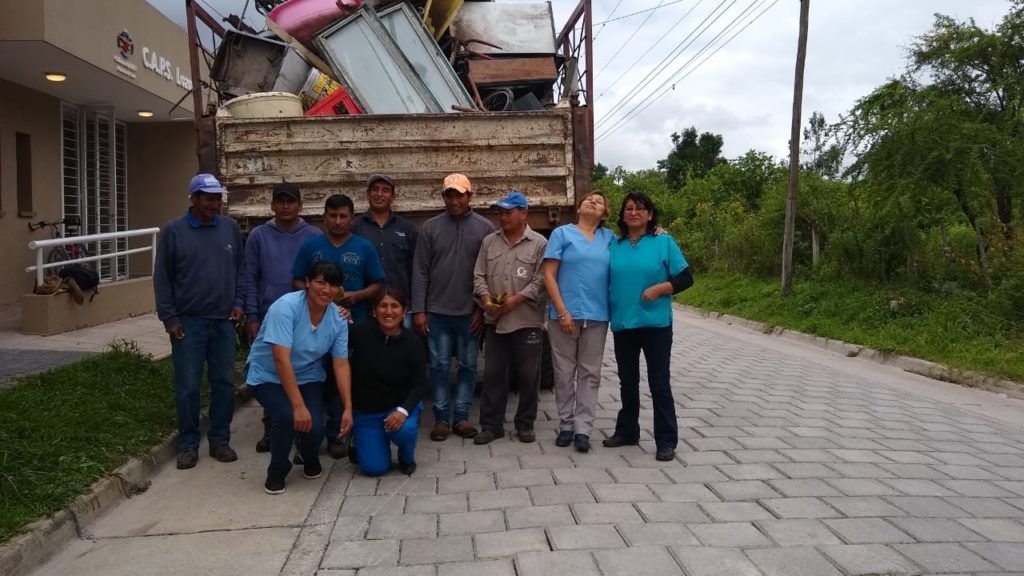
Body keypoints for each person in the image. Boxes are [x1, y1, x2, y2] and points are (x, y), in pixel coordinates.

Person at [154, 173, 245, 470]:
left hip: (222, 322)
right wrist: (169, 317)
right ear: (193, 199)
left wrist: (239, 303)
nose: (215, 204)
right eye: (209, 198)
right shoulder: (173, 231)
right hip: (188, 323)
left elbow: (241, 271)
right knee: (189, 385)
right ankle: (189, 444)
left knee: (223, 383)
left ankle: (219, 440)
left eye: (218, 198)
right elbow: (162, 279)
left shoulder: (230, 229)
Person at [246, 260, 353, 494]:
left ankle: (309, 455)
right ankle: (277, 470)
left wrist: (348, 407)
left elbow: (341, 364)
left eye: (333, 285)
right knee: (286, 417)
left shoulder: (338, 318)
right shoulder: (285, 308)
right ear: (306, 283)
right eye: (320, 282)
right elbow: (280, 360)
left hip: (308, 374)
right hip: (268, 374)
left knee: (314, 427)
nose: (326, 290)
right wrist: (297, 405)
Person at [292, 193, 385, 458]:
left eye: (343, 216)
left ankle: (337, 435)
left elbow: (378, 284)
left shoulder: (364, 247)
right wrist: (321, 298)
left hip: (354, 323)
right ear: (324, 218)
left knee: (343, 380)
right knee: (312, 379)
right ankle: (306, 437)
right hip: (314, 325)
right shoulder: (311, 247)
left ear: (352, 218)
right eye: (332, 216)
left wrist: (356, 296)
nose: (338, 221)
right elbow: (297, 281)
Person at [603, 191, 693, 461]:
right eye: (629, 208)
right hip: (623, 323)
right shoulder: (613, 245)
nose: (634, 212)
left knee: (659, 383)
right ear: (622, 214)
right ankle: (628, 431)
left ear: (650, 215)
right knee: (627, 382)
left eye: (640, 209)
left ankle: (666, 440)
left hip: (656, 325)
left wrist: (660, 289)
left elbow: (686, 278)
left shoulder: (663, 241)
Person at [411, 173, 495, 441]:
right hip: (437, 313)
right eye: (449, 194)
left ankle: (460, 418)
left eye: (460, 194)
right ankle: (440, 419)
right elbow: (420, 271)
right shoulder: (430, 228)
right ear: (443, 197)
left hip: (469, 314)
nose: (455, 199)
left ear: (470, 196)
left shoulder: (485, 229)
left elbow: (489, 273)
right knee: (438, 366)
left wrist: (481, 309)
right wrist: (420, 310)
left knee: (469, 366)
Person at [243, 182, 323, 453]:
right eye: (281, 201)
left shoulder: (312, 235)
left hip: (304, 318)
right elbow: (250, 277)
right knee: (272, 373)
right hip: (268, 317)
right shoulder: (258, 236)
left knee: (301, 372)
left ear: (300, 205)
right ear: (272, 205)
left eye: (291, 201)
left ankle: (303, 433)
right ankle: (273, 427)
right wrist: (251, 315)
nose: (286, 206)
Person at [472, 191, 548, 445]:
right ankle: (491, 425)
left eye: (508, 212)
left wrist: (515, 301)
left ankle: (525, 424)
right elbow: (478, 276)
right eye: (500, 212)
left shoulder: (539, 244)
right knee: (493, 374)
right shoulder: (489, 242)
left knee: (528, 375)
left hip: (526, 320)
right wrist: (485, 301)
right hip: (495, 320)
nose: (502, 217)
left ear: (523, 213)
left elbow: (540, 281)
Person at [542, 191, 615, 453]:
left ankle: (583, 429)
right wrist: (562, 311)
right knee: (563, 373)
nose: (592, 201)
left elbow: (633, 248)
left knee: (589, 374)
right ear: (579, 207)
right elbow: (549, 275)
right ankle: (566, 425)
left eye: (598, 201)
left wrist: (658, 232)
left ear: (604, 214)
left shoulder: (609, 239)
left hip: (597, 315)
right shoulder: (562, 234)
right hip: (564, 315)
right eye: (588, 199)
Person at [349, 287, 428, 476]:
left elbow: (420, 384)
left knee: (404, 431)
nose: (389, 311)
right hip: (366, 412)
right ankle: (360, 440)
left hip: (398, 408)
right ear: (374, 311)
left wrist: (403, 410)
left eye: (395, 306)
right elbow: (338, 359)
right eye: (383, 306)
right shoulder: (358, 333)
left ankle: (406, 456)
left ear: (404, 310)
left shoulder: (413, 342)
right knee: (374, 469)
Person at [352, 174, 418, 327]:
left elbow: (416, 268)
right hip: (365, 309)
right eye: (375, 190)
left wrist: (416, 306)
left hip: (400, 308)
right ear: (367, 194)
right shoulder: (356, 227)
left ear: (393, 196)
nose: (379, 194)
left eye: (385, 190)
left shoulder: (406, 228)